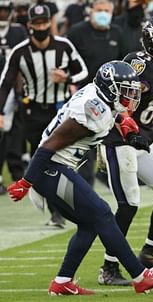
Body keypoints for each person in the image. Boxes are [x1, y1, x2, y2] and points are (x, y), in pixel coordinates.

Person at [6, 60, 153, 295]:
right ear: (111, 88)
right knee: (102, 213)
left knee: (88, 224)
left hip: (58, 168)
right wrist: (26, 182)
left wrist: (123, 124)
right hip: (51, 168)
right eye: (125, 90)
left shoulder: (97, 95)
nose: (130, 96)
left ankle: (63, 281)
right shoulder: (90, 112)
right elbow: (47, 147)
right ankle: (140, 276)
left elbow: (109, 112)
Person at [97, 15, 153, 286]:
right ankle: (109, 268)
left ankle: (151, 251)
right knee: (129, 205)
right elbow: (115, 104)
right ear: (150, 41)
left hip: (145, 140)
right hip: (120, 140)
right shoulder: (137, 64)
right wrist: (124, 134)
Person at [0, 4, 88, 228]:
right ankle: (56, 209)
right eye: (36, 23)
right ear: (29, 25)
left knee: (59, 159)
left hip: (59, 110)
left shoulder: (64, 45)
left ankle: (62, 209)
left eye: (44, 23)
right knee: (42, 160)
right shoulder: (20, 51)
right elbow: (6, 82)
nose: (41, 27)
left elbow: (84, 71)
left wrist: (67, 78)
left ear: (50, 22)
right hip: (32, 112)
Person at [67, 0, 127, 187]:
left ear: (112, 13)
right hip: (84, 96)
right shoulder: (76, 32)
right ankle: (86, 185)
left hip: (112, 98)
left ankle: (111, 179)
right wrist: (71, 86)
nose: (103, 13)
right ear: (91, 11)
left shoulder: (117, 32)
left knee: (113, 141)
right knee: (86, 143)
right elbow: (67, 61)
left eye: (106, 11)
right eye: (99, 10)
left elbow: (124, 64)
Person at [0, 0, 28, 194]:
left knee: (15, 134)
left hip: (12, 90)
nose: (2, 14)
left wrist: (21, 91)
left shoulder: (18, 31)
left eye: (4, 10)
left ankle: (17, 174)